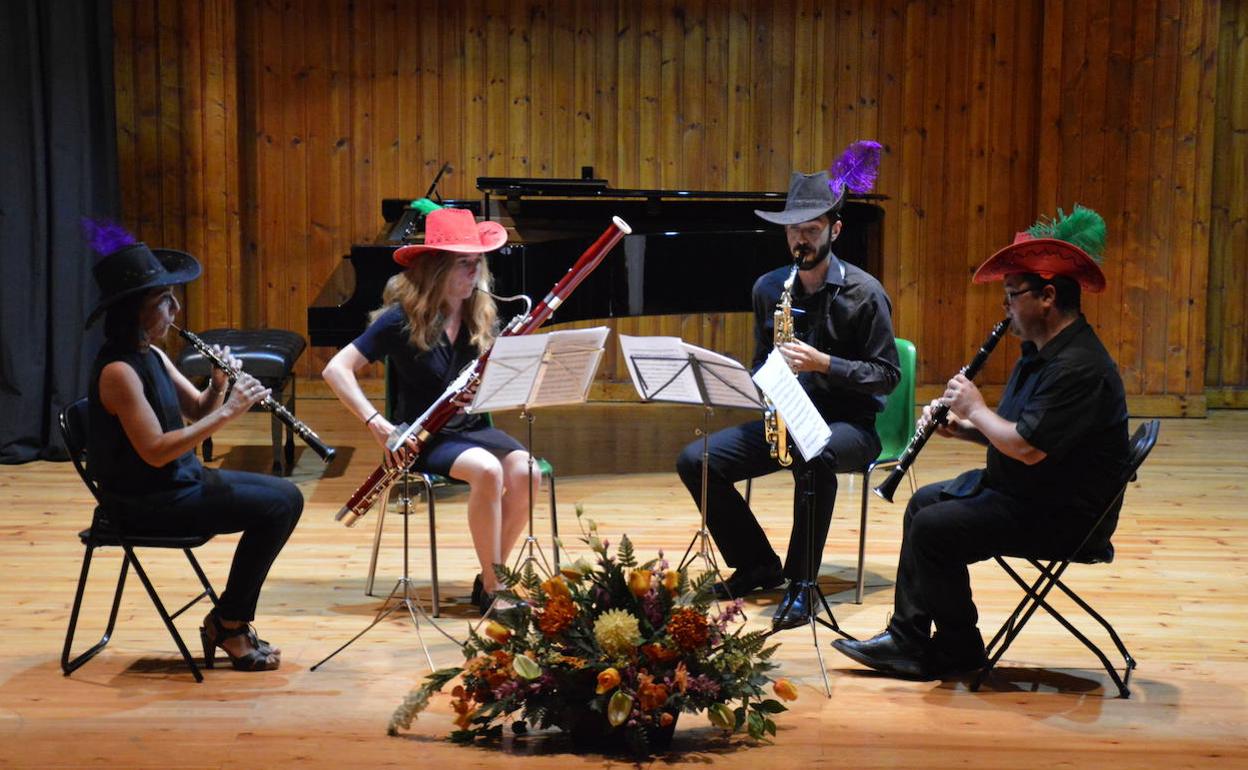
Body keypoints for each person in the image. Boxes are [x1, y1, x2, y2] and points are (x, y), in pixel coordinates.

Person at [831, 205, 1129, 679]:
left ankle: (959, 650)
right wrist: (965, 428)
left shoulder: (1077, 367)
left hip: (1062, 514)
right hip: (1029, 489)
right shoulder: (1042, 353)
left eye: (1012, 295)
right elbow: (1022, 436)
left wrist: (975, 408)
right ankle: (908, 638)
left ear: (1047, 296)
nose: (1005, 308)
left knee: (935, 529)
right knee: (924, 504)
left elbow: (1028, 447)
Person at [676, 163, 900, 630]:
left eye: (812, 230)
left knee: (814, 455)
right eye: (794, 230)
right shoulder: (769, 288)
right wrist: (755, 381)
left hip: (849, 425)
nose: (802, 240)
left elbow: (886, 376)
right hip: (786, 419)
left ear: (835, 230)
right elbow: (762, 360)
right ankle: (757, 564)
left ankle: (802, 584)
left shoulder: (865, 294)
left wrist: (824, 364)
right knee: (696, 460)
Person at [84, 225, 303, 672]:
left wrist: (219, 386)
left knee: (288, 496)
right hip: (147, 502)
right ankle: (230, 624)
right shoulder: (118, 372)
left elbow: (197, 408)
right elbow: (155, 451)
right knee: (276, 508)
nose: (176, 309)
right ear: (136, 309)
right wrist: (230, 413)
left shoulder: (152, 354)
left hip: (179, 481)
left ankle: (228, 618)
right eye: (165, 300)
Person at [322, 207, 536, 614]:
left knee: (526, 471)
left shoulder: (479, 313)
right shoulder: (400, 319)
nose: (475, 273)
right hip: (424, 437)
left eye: (477, 263)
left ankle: (490, 577)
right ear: (436, 269)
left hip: (470, 428)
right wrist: (377, 424)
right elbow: (336, 369)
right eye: (464, 264)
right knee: (488, 471)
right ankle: (495, 589)